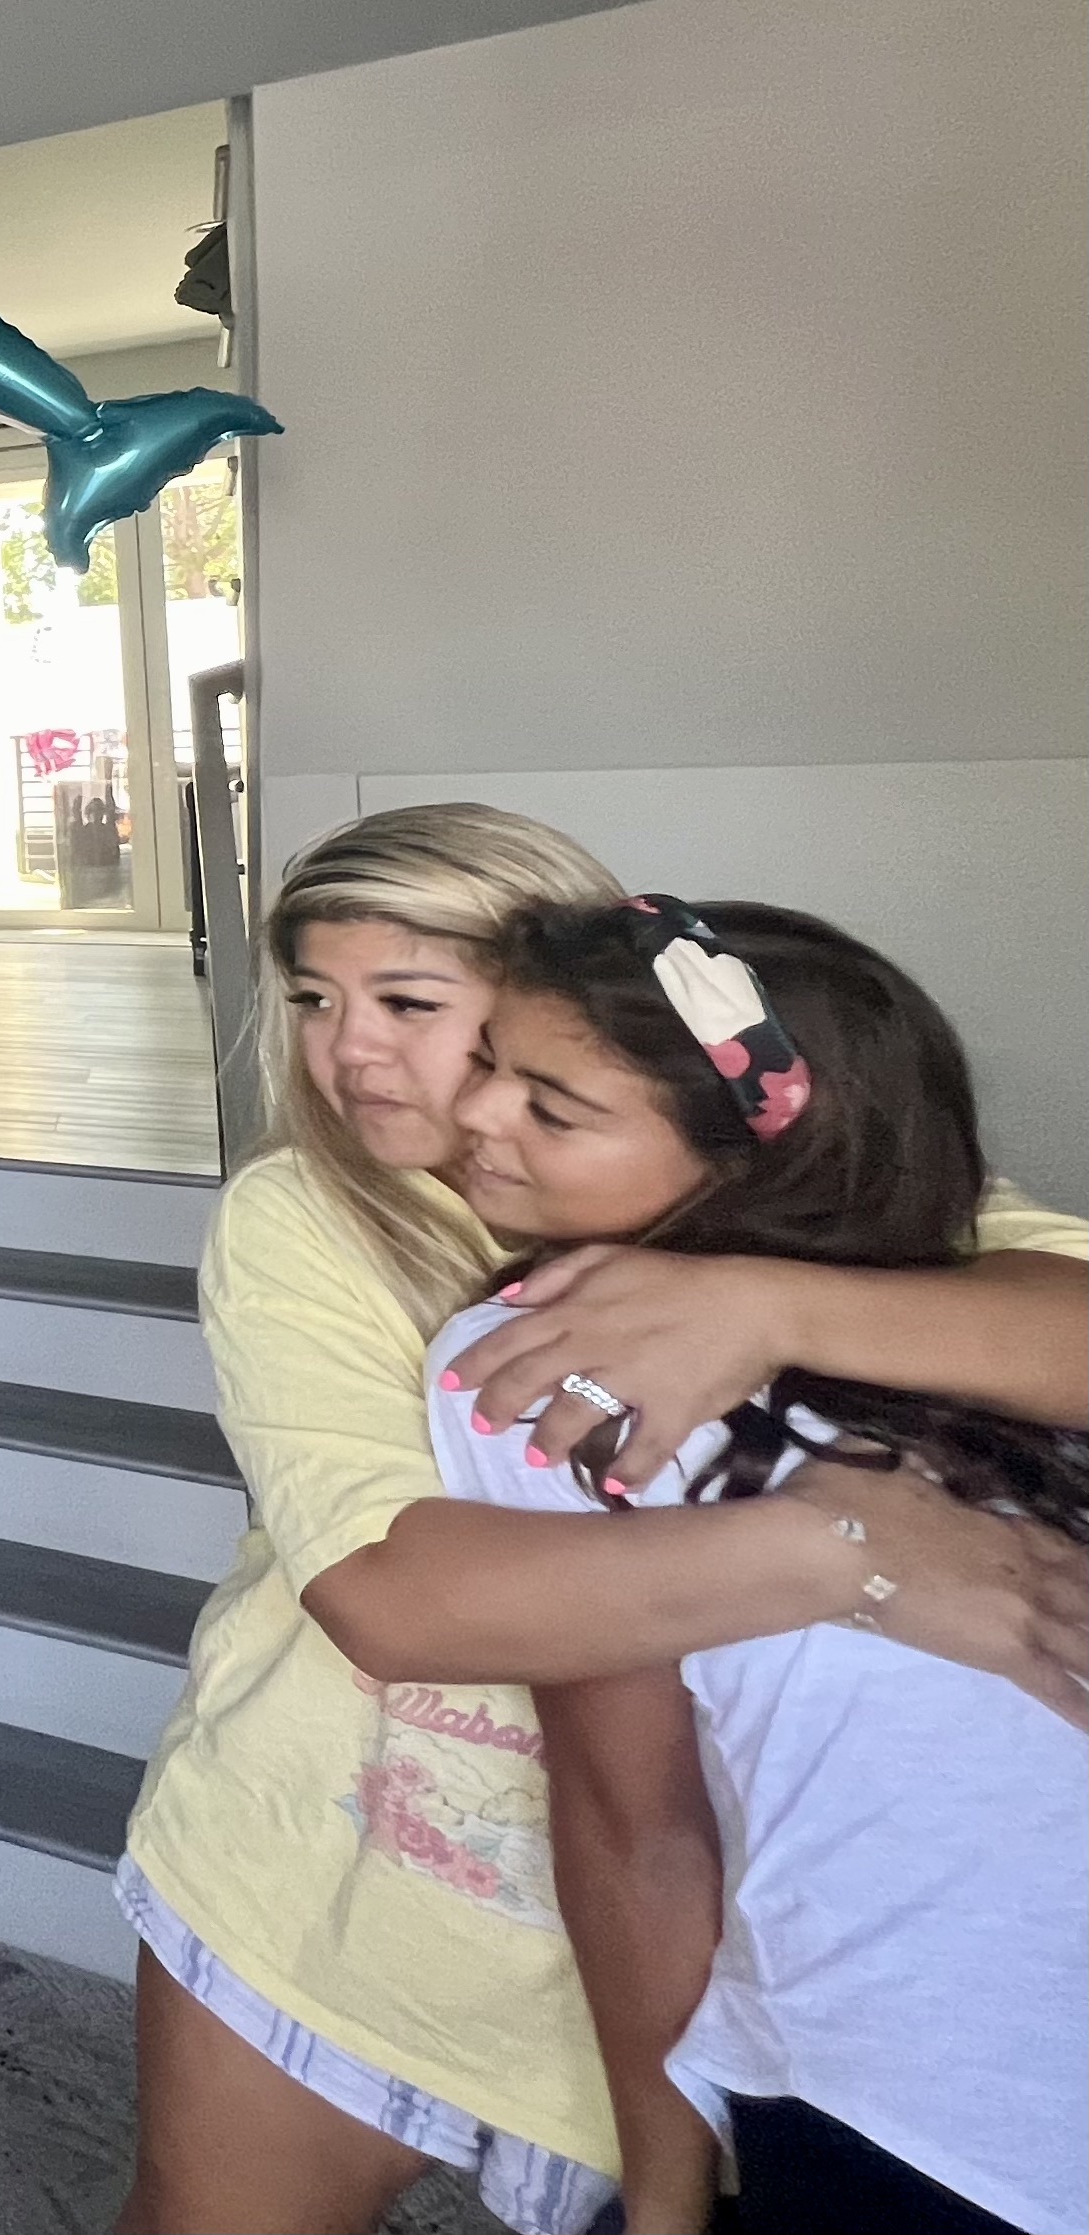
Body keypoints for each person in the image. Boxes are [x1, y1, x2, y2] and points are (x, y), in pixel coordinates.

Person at [112, 806, 1089, 2235]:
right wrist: (850, 1549)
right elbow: (394, 1597)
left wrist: (765, 1301)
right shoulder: (312, 1218)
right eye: (313, 1000)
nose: (347, 1050)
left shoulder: (755, 1145)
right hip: (341, 1880)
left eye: (410, 1003)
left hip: (680, 1950)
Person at [430, 896, 1085, 2235]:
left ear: (753, 1157)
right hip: (923, 2086)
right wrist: (665, 2198)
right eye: (490, 1062)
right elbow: (632, 1816)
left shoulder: (976, 1318)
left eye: (552, 1105)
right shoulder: (540, 1364)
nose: (474, 1112)